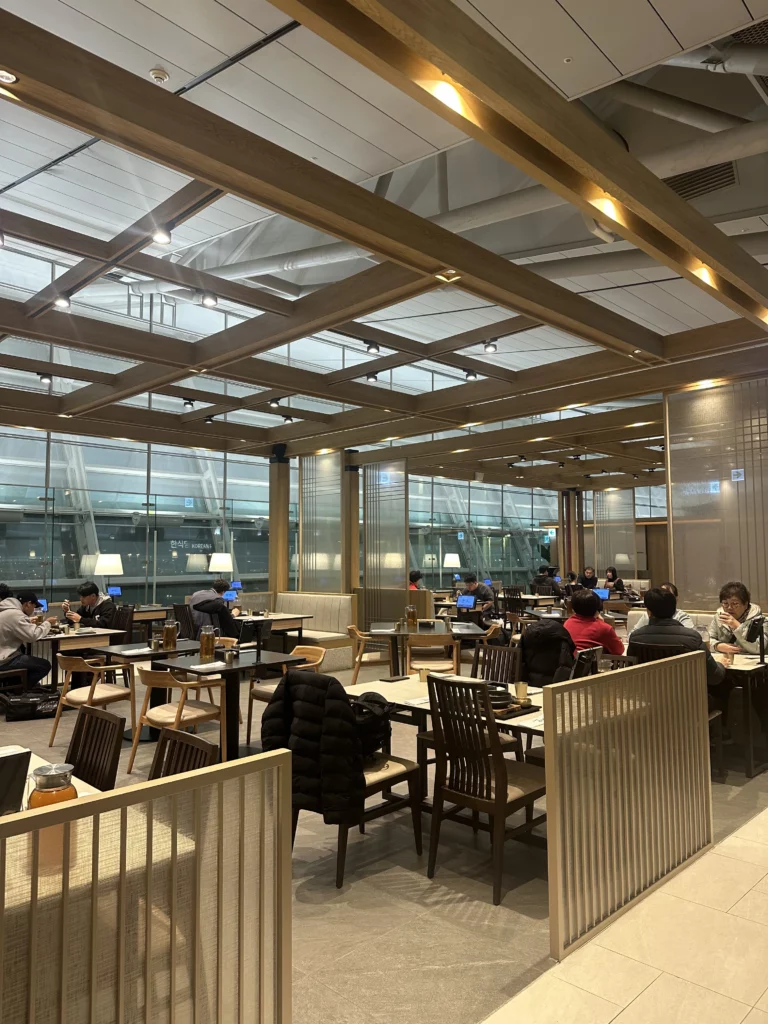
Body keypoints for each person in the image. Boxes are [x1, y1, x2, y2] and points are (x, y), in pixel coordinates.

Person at [628, 588, 725, 699]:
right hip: (689, 704)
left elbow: (631, 673)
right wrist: (721, 665)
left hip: (649, 702)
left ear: (649, 612)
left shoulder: (636, 638)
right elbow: (714, 677)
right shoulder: (692, 639)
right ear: (674, 610)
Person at [0, 589, 57, 688]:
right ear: (28, 604)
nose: (33, 610)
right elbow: (33, 636)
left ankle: (16, 686)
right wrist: (47, 623)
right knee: (44, 665)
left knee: (27, 658)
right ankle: (20, 689)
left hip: (3, 655)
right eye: (34, 607)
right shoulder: (16, 615)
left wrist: (27, 621)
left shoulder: (6, 611)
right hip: (5, 660)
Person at [708, 581, 768, 656]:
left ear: (745, 604)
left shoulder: (760, 621)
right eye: (725, 603)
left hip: (752, 664)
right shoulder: (718, 617)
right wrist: (718, 646)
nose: (729, 608)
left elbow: (759, 648)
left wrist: (737, 626)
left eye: (735, 604)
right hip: (726, 661)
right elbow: (707, 640)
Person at [564, 590, 624, 655]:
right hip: (592, 664)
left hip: (569, 663)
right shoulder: (605, 628)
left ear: (573, 608)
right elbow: (619, 651)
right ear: (597, 608)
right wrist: (602, 624)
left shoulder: (567, 623)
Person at [519, 619, 575, 686]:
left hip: (526, 685)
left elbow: (518, 659)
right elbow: (565, 665)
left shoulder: (528, 633)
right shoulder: (561, 636)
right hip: (555, 687)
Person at [628, 582, 694, 636]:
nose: (663, 599)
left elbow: (690, 635)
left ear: (676, 599)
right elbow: (631, 635)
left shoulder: (681, 616)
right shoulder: (648, 615)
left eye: (668, 596)